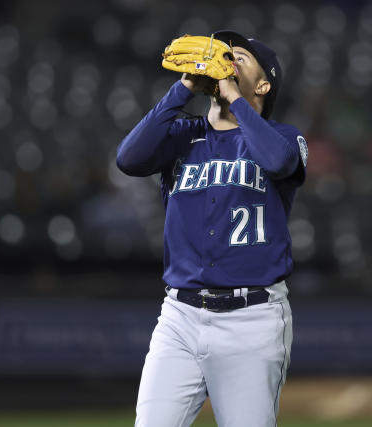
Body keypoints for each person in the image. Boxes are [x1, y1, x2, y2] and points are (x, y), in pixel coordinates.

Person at [116, 30, 308, 427]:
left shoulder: (284, 137)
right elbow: (129, 159)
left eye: (239, 57)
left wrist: (233, 96)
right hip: (180, 317)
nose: (226, 59)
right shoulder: (184, 135)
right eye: (221, 53)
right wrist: (185, 86)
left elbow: (279, 163)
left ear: (263, 83)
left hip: (252, 319)